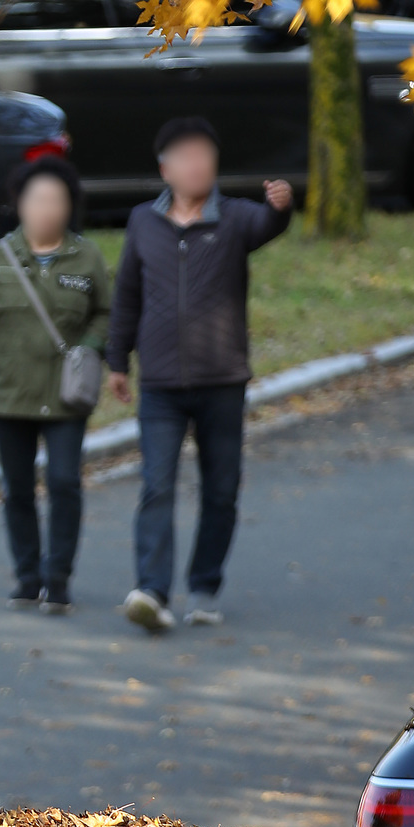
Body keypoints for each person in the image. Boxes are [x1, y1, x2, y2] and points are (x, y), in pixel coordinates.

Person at [106, 117, 293, 633]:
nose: (197, 165)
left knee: (220, 489)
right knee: (156, 486)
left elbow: (268, 225)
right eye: (186, 157)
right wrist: (117, 360)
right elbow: (127, 294)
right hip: (161, 384)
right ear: (166, 169)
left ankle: (205, 585)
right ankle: (152, 590)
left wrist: (282, 208)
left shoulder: (233, 218)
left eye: (206, 156)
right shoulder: (144, 223)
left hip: (221, 380)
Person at [0, 155, 111, 611]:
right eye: (37, 199)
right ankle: (27, 575)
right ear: (19, 204)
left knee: (63, 482)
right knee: (17, 489)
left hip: (65, 394)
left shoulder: (87, 257)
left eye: (56, 199)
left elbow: (107, 310)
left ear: (69, 205)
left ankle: (58, 577)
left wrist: (92, 345)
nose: (46, 208)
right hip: (8, 392)